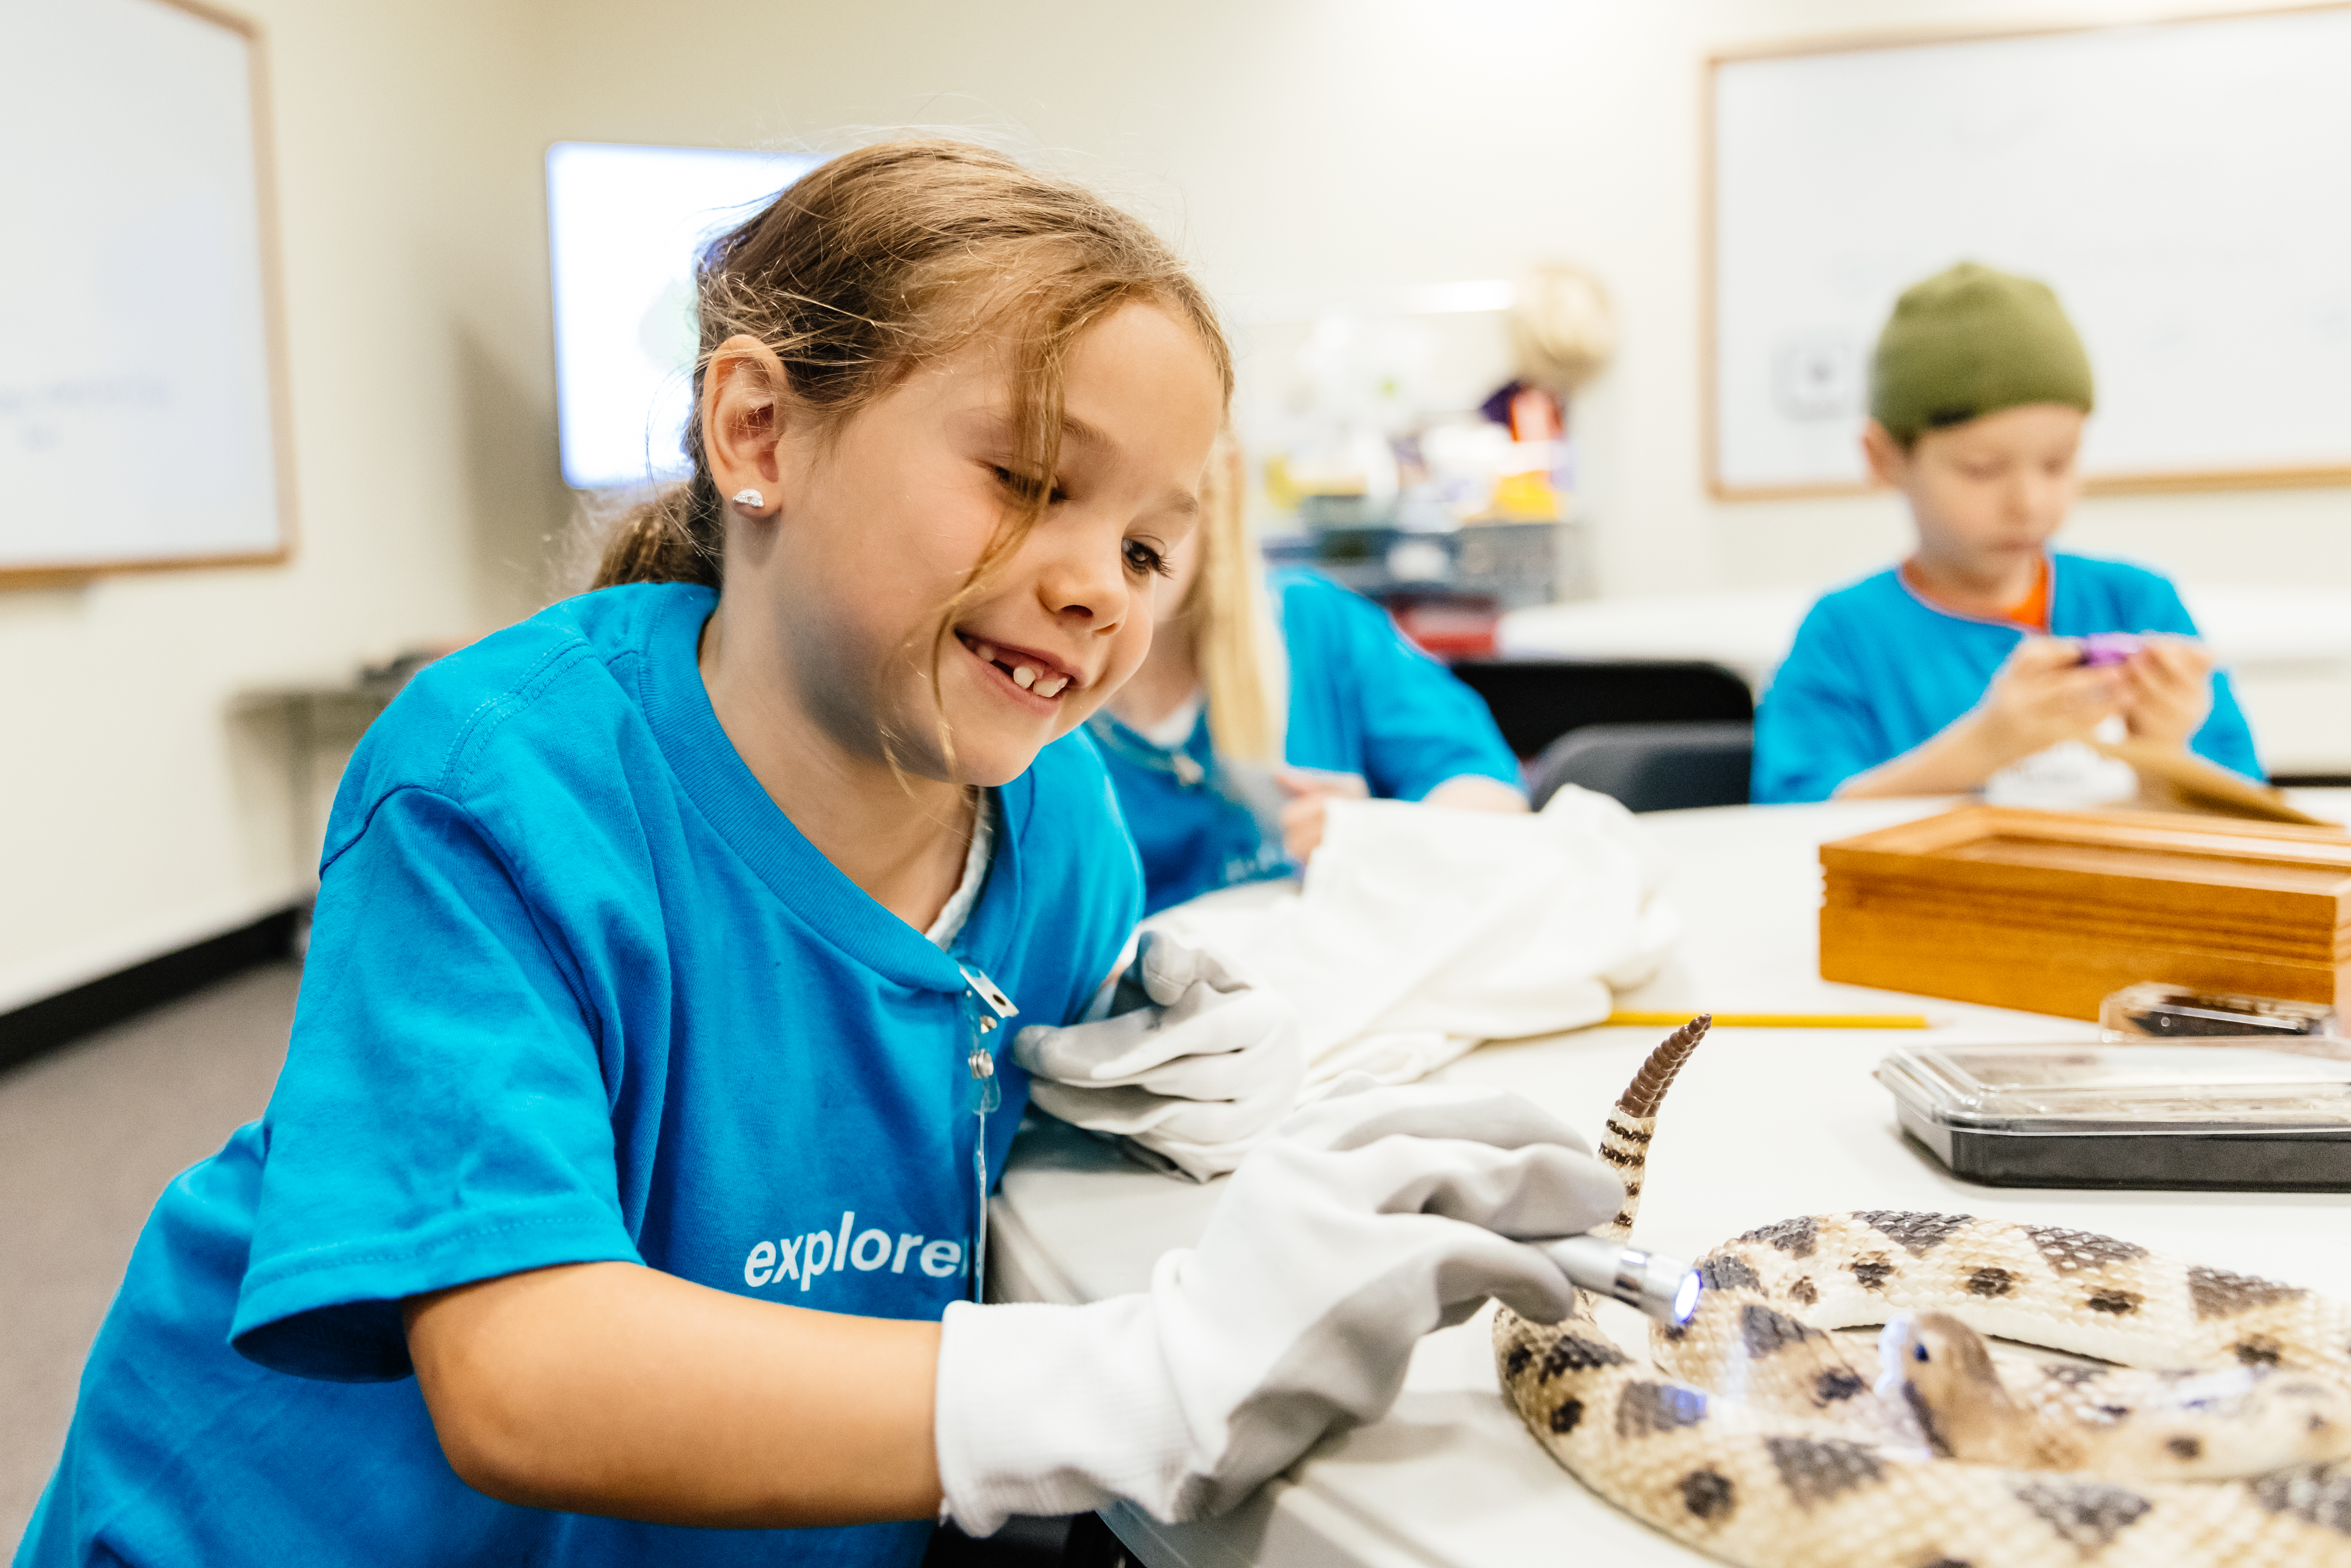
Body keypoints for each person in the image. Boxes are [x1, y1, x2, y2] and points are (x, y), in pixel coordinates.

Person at [16, 142, 1624, 1568]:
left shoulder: (1061, 833)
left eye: (1147, 539)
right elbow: (528, 1371)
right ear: (761, 431)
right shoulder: (500, 784)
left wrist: (1145, 1089)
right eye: (1030, 481)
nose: (1102, 588)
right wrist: (1145, 1373)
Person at [1751, 262, 2260, 805]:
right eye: (1982, 469)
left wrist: (2165, 749)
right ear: (1884, 458)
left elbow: (2251, 812)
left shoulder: (2137, 602)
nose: (2029, 503)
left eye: (2058, 463)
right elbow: (1795, 823)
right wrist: (1983, 747)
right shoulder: (1845, 633)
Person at [1090, 435, 1529, 914]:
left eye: (1140, 539)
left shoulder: (1316, 628)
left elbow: (1493, 799)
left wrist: (1385, 834)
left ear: (1221, 489)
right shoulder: (1044, 715)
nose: (1102, 573)